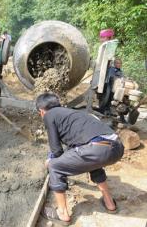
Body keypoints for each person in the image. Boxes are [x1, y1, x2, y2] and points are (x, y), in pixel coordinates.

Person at [36, 92, 124, 225]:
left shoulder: (49, 115)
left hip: (97, 148)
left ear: (42, 111)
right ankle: (109, 203)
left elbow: (56, 150)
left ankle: (62, 213)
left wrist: (51, 160)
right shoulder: (72, 113)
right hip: (117, 146)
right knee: (92, 162)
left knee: (55, 166)